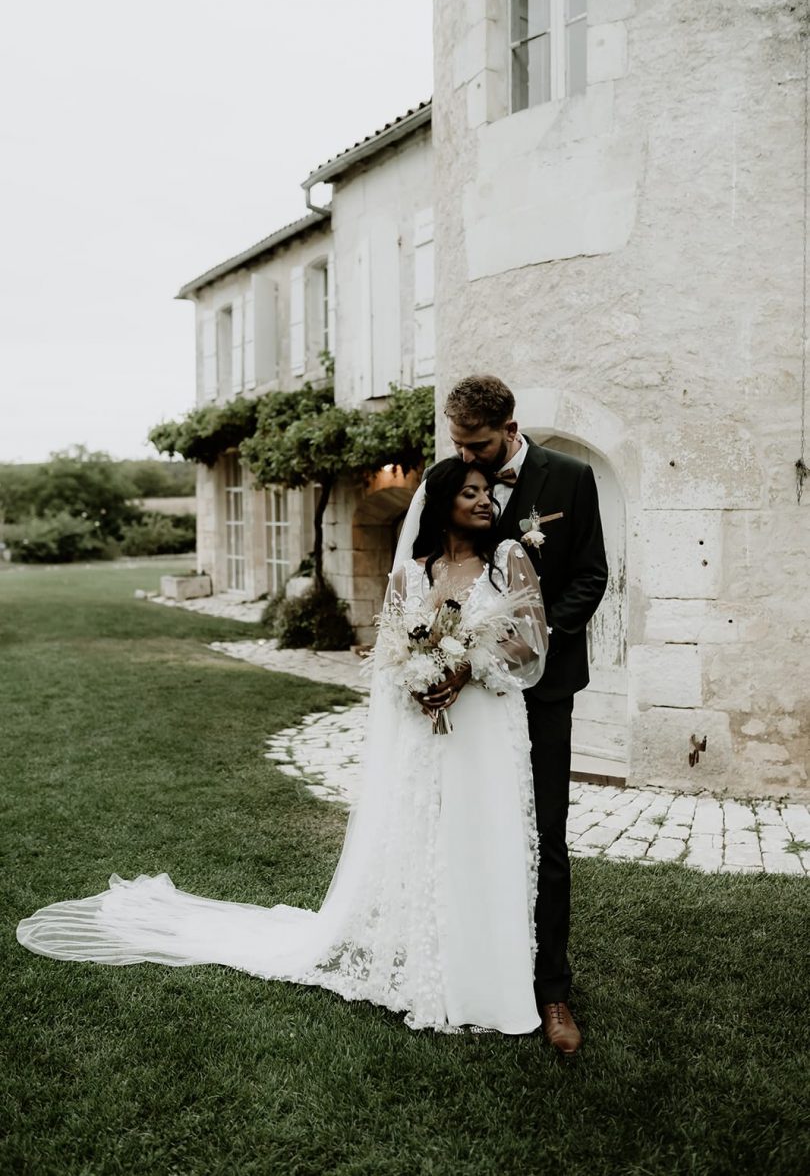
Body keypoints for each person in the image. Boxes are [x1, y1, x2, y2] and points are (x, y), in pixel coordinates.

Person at [17, 459, 548, 1037]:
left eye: (486, 493)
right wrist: (418, 682)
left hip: (486, 723)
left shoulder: (507, 561)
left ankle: (493, 982)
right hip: (429, 726)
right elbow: (389, 652)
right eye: (469, 492)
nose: (483, 502)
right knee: (432, 840)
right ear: (442, 500)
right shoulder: (413, 574)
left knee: (484, 834)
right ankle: (436, 970)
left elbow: (531, 644)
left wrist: (466, 666)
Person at [436, 375, 609, 1056]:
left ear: (511, 427)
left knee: (546, 836)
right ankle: (480, 969)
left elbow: (591, 576)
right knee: (476, 831)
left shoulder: (569, 477)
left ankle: (551, 989)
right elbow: (431, 567)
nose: (470, 459)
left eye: (478, 444)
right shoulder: (451, 478)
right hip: (470, 695)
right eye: (459, 445)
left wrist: (527, 644)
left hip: (542, 689)